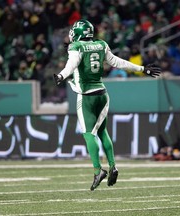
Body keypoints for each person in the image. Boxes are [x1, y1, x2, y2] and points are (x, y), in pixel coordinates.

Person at [53, 19, 161, 191]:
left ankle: (98, 170)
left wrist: (61, 75)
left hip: (87, 96)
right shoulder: (101, 44)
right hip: (103, 94)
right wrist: (142, 69)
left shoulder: (76, 47)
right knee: (102, 131)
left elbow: (71, 64)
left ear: (79, 33)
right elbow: (118, 62)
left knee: (89, 134)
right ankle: (113, 166)